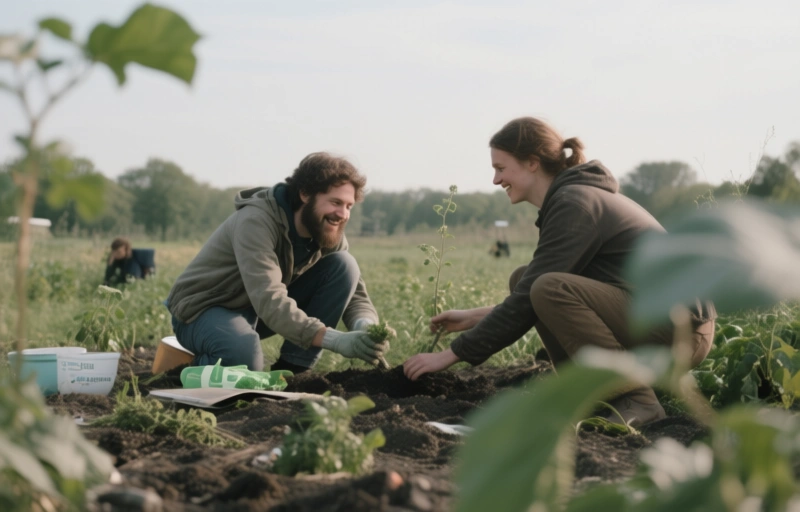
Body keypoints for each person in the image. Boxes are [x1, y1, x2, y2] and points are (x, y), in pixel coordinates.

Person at [403, 117, 716, 427]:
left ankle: (636, 399)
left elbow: (537, 294)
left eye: (500, 168)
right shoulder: (570, 199)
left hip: (683, 331)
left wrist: (451, 355)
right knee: (527, 278)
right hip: (658, 319)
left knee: (546, 287)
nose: (496, 181)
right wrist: (474, 317)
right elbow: (535, 290)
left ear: (532, 163)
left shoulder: (575, 204)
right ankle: (588, 395)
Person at [166, 152, 388, 374]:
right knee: (243, 363)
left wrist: (366, 326)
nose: (342, 214)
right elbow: (269, 297)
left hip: (254, 311)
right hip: (203, 310)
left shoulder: (326, 230)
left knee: (344, 264)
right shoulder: (256, 221)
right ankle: (182, 366)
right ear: (305, 194)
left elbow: (356, 295)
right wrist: (335, 340)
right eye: (335, 202)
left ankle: (293, 370)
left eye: (349, 206)